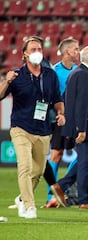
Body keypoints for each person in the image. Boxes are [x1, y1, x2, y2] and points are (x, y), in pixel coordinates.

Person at [0, 36, 65, 218]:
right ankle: (29, 207)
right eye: (33, 49)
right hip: (21, 127)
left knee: (37, 172)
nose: (37, 53)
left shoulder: (50, 75)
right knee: (25, 167)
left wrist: (61, 113)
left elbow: (57, 99)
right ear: (24, 54)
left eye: (39, 49)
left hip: (43, 130)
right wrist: (6, 81)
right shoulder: (17, 76)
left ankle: (21, 198)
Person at [51, 46, 88, 210]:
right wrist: (81, 129)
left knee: (85, 161)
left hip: (80, 125)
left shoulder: (79, 72)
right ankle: (84, 199)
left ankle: (62, 186)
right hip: (83, 127)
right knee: (85, 163)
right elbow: (81, 104)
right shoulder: (83, 74)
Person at [46, 37, 80, 206]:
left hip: (76, 120)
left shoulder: (78, 70)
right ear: (67, 52)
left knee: (84, 154)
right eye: (75, 49)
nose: (78, 52)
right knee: (56, 154)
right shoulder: (54, 71)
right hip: (59, 119)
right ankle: (50, 195)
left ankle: (63, 187)